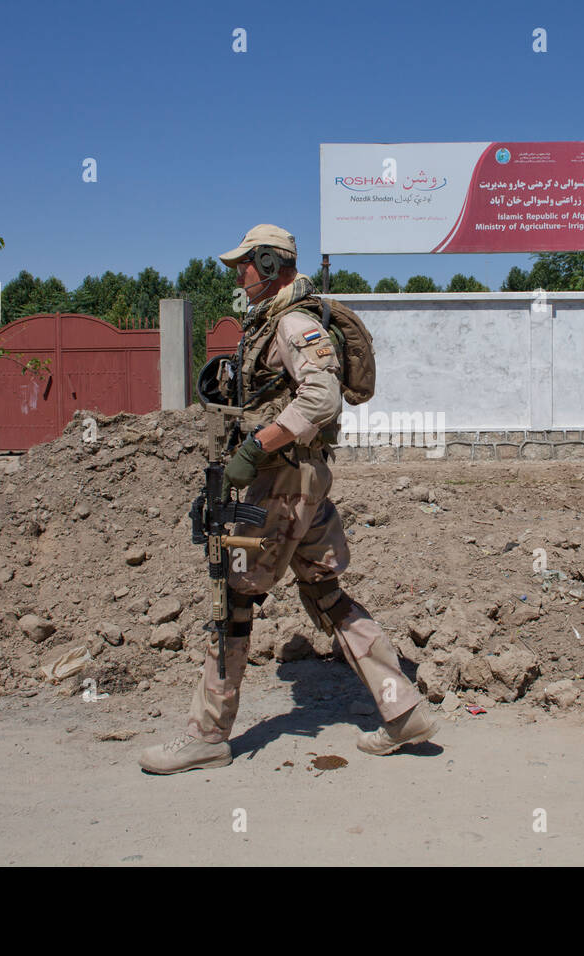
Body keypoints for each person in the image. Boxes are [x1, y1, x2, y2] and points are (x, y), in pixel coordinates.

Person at [140, 224, 439, 774]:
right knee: (325, 592)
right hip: (302, 484)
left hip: (280, 485)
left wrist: (255, 448)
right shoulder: (277, 320)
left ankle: (206, 736)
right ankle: (402, 711)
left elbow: (321, 399)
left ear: (272, 264)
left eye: (245, 265)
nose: (238, 274)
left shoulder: (294, 323)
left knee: (230, 597)